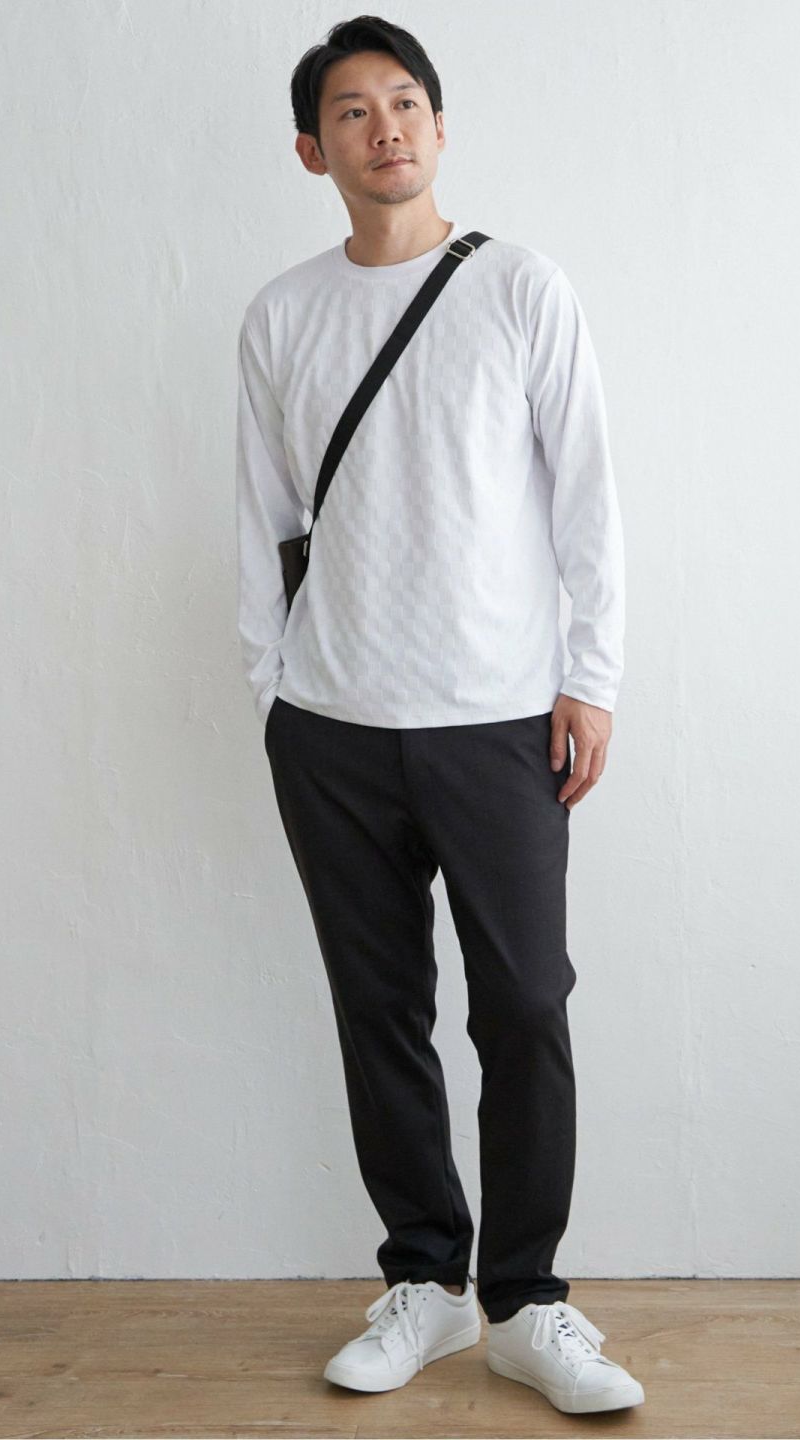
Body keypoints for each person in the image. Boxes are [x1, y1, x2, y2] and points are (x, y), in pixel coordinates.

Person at [235, 14, 642, 1416]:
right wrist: (273, 692)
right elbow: (261, 516)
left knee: (524, 1005)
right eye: (353, 111)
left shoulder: (521, 287)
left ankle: (527, 1300)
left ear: (441, 126)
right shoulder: (282, 315)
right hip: (332, 724)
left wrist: (594, 677)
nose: (386, 128)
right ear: (314, 150)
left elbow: (587, 496)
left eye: (406, 102)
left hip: (499, 716)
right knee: (381, 1009)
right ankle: (427, 1279)